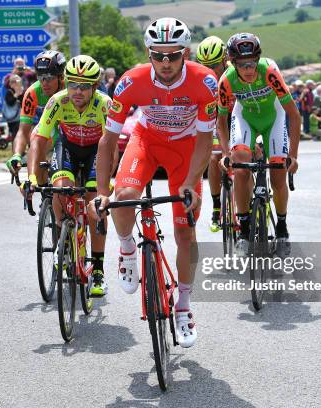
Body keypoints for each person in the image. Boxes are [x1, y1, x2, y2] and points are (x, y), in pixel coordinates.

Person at [92, 18, 218, 348]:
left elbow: (207, 139)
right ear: (148, 54)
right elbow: (108, 141)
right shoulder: (130, 81)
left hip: (187, 149)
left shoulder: (205, 81)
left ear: (186, 54)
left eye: (173, 56)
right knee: (126, 194)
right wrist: (102, 192)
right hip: (146, 141)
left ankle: (184, 306)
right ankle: (127, 248)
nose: (165, 63)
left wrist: (191, 182)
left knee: (185, 232)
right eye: (158, 55)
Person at [29, 55, 112, 297]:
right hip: (67, 149)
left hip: (97, 150)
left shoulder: (104, 104)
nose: (77, 91)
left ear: (95, 87)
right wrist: (33, 177)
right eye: (73, 84)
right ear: (65, 83)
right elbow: (39, 138)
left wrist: (106, 183)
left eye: (84, 86)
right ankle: (62, 238)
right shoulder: (57, 101)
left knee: (95, 202)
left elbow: (111, 145)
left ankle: (97, 270)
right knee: (60, 188)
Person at [219, 33, 300, 258]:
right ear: (233, 63)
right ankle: (244, 232)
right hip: (245, 119)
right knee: (241, 165)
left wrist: (293, 156)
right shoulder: (226, 81)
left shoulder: (270, 72)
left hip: (274, 119)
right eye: (243, 64)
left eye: (253, 62)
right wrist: (226, 153)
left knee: (278, 175)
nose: (249, 69)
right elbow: (221, 120)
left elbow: (294, 115)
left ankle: (282, 229)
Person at [6, 50, 67, 181]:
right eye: (40, 77)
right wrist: (16, 154)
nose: (44, 83)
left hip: (69, 128)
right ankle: (42, 189)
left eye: (49, 78)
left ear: (61, 77)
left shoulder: (71, 88)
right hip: (48, 130)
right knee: (36, 140)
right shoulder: (33, 92)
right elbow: (23, 131)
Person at [196, 35, 231, 232]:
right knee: (214, 157)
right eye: (205, 65)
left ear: (225, 60)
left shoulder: (234, 75)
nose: (211, 70)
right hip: (215, 123)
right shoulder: (201, 79)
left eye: (215, 65)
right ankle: (217, 208)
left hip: (235, 119)